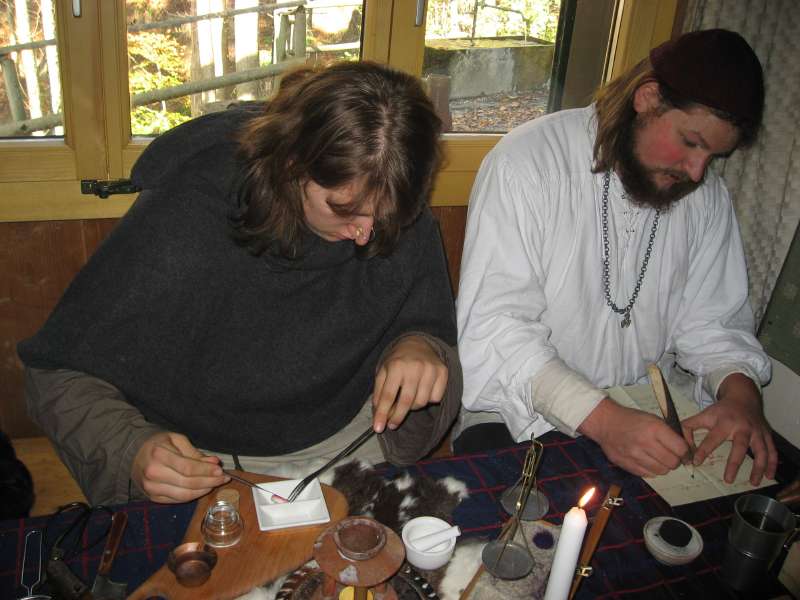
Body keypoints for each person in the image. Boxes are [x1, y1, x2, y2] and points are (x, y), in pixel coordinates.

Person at [18, 61, 461, 506]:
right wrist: (132, 449)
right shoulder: (190, 214)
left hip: (348, 441)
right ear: (292, 165)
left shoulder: (392, 197)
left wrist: (420, 346)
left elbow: (427, 325)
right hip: (207, 464)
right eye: (344, 210)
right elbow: (55, 375)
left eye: (385, 217)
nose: (367, 234)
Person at [454, 29, 777, 486]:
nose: (697, 171)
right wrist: (605, 420)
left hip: (648, 415)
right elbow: (496, 329)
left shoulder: (705, 197)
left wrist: (741, 397)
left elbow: (713, 323)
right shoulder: (527, 165)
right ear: (648, 99)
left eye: (714, 156)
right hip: (522, 416)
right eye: (691, 142)